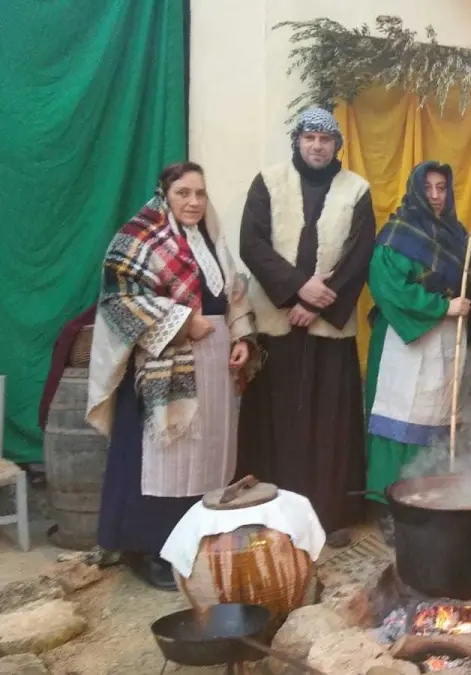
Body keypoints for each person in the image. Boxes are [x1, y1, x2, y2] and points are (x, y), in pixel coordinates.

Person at [87, 162, 258, 589]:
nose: (194, 202)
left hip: (213, 363)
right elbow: (120, 300)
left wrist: (241, 337)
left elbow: (233, 292)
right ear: (164, 195)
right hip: (163, 367)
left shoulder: (210, 237)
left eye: (200, 193)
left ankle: (194, 540)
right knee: (164, 457)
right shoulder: (139, 238)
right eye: (184, 193)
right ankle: (149, 549)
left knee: (206, 454)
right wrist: (181, 322)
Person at [236, 107, 375, 547]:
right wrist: (297, 290)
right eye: (310, 137)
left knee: (327, 424)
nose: (317, 146)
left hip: (328, 329)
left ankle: (328, 514)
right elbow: (252, 244)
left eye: (325, 139)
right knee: (276, 423)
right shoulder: (268, 182)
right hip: (277, 325)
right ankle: (271, 514)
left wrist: (317, 305)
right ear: (297, 140)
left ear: (337, 145)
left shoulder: (356, 189)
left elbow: (359, 254)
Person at [364, 161, 471, 506]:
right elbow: (388, 287)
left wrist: (464, 303)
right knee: (401, 419)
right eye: (427, 187)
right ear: (415, 190)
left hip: (446, 341)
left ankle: (434, 501)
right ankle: (391, 503)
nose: (435, 195)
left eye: (441, 188)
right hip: (405, 341)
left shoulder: (458, 235)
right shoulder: (398, 233)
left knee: (438, 418)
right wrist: (442, 306)